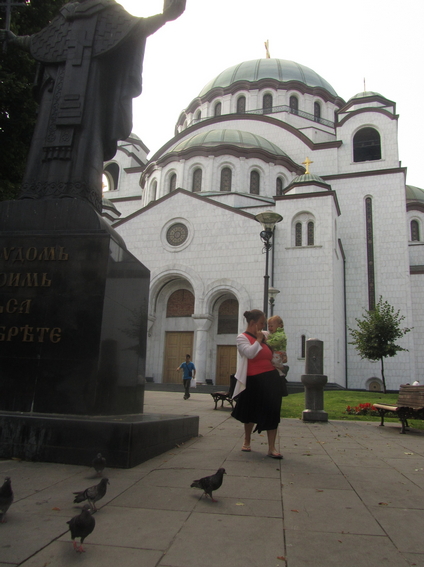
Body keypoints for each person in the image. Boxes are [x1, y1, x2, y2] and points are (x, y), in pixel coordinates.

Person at [0, 0, 186, 213]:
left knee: (86, 142)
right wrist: (15, 40)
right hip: (56, 94)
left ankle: (80, 193)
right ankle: (34, 191)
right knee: (44, 138)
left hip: (91, 91)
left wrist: (164, 17)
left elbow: (135, 28)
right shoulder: (66, 13)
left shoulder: (109, 11)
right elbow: (43, 43)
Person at [231, 309, 284, 459]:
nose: (263, 327)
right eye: (261, 323)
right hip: (253, 380)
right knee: (250, 412)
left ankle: (272, 447)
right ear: (253, 323)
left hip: (271, 379)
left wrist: (282, 356)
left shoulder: (265, 336)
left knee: (273, 412)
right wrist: (258, 340)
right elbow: (250, 353)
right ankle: (247, 440)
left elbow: (277, 342)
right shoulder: (242, 338)